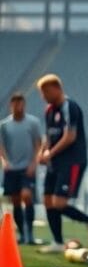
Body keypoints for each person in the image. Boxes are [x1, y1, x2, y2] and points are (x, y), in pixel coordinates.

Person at [35, 74, 88, 252]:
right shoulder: (49, 111)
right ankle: (58, 242)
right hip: (55, 162)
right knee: (47, 200)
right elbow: (48, 136)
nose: (43, 97)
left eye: (45, 92)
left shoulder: (70, 107)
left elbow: (70, 136)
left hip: (72, 161)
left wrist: (50, 153)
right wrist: (42, 152)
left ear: (56, 88)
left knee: (59, 203)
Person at [0, 93, 43, 244]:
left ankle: (29, 233)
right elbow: (2, 146)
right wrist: (4, 161)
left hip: (27, 167)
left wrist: (34, 163)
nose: (19, 107)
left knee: (27, 196)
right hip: (12, 168)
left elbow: (38, 144)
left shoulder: (33, 123)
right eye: (15, 104)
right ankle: (22, 234)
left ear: (24, 104)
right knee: (16, 200)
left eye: (21, 103)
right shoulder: (4, 125)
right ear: (11, 105)